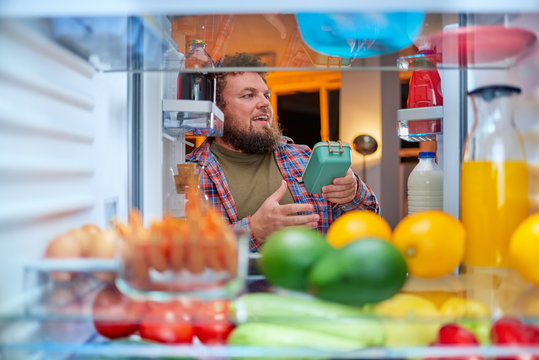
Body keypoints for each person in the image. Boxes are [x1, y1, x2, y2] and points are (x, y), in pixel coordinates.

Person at [186, 53, 380, 251]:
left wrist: (353, 192)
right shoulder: (192, 175)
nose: (265, 103)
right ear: (218, 108)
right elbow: (187, 254)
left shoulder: (304, 158)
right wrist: (253, 231)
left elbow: (370, 225)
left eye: (266, 95)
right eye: (249, 95)